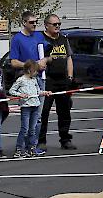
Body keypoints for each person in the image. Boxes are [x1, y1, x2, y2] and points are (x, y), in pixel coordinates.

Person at [10, 11, 49, 155]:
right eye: (31, 22)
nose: (34, 25)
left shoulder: (39, 36)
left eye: (36, 22)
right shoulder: (17, 39)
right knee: (27, 117)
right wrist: (30, 66)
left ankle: (32, 146)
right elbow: (13, 62)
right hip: (26, 79)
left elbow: (47, 54)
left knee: (38, 116)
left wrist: (45, 60)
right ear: (24, 23)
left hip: (39, 78)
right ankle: (22, 147)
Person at [37, 14, 76, 151]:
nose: (58, 26)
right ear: (46, 25)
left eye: (59, 24)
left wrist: (70, 77)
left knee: (64, 112)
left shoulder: (64, 39)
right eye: (55, 24)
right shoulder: (41, 39)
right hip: (47, 81)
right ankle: (41, 141)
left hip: (62, 80)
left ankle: (65, 139)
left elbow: (69, 59)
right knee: (44, 112)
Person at [9, 60, 51, 158]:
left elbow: (37, 91)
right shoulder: (21, 80)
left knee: (32, 129)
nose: (36, 73)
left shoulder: (34, 80)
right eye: (35, 71)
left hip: (35, 106)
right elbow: (12, 90)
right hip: (26, 107)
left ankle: (31, 148)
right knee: (25, 129)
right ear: (29, 70)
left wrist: (44, 92)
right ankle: (19, 149)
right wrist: (20, 94)